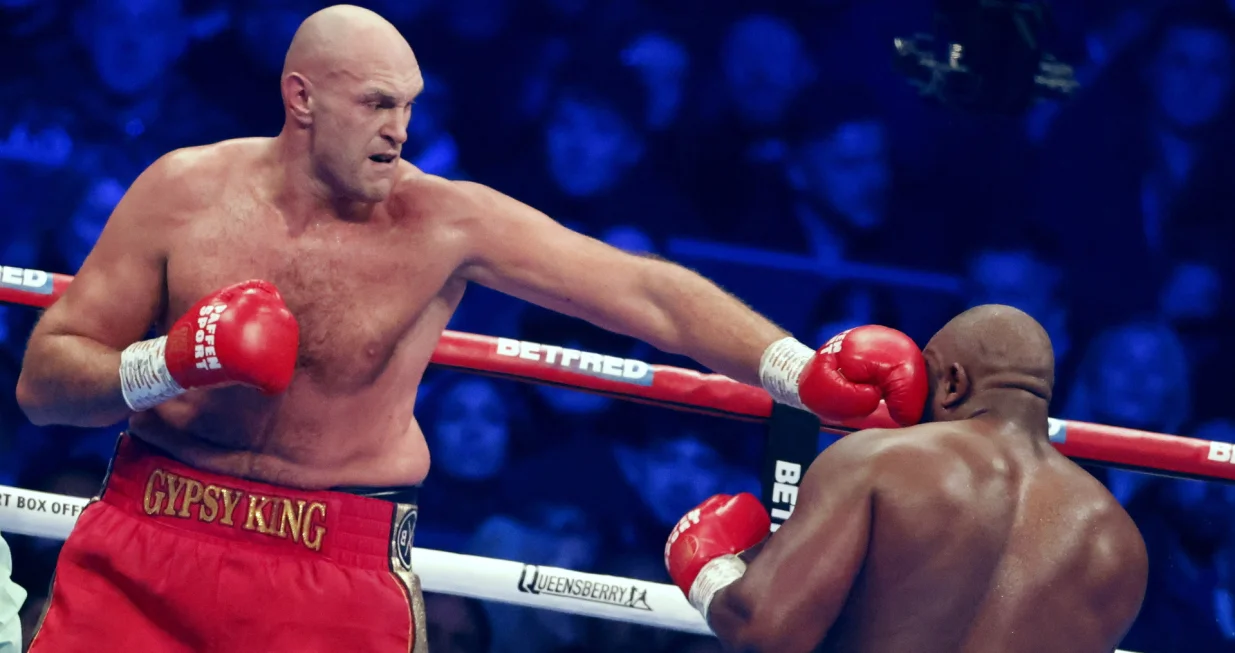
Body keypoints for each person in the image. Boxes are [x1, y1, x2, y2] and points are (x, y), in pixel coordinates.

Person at [14, 5, 928, 651]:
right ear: (301, 98)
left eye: (410, 106)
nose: (400, 131)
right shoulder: (183, 190)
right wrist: (166, 363)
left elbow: (644, 293)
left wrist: (794, 371)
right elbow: (45, 383)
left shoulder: (445, 222)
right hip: (149, 532)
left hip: (330, 562)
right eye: (377, 104)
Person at [665, 305, 1149, 653]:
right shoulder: (1119, 540)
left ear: (954, 383)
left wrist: (710, 568)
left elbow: (762, 631)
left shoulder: (879, 460)